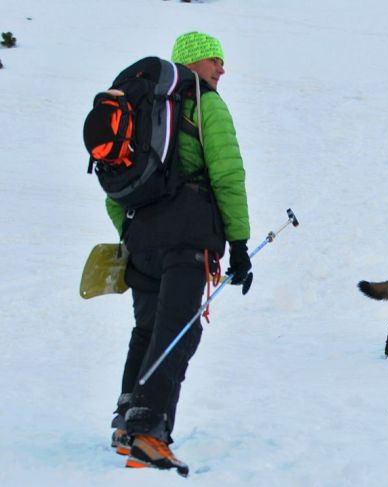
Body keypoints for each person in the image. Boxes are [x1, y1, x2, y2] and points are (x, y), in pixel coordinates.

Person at [105, 32, 252, 476]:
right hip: (188, 239)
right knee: (177, 332)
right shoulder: (204, 104)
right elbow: (228, 175)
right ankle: (148, 433)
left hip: (142, 238)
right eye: (215, 60)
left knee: (148, 329)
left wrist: (134, 233)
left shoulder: (142, 107)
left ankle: (125, 424)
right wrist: (239, 243)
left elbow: (114, 187)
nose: (222, 69)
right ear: (192, 61)